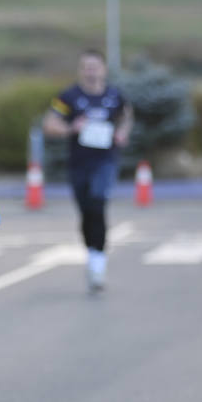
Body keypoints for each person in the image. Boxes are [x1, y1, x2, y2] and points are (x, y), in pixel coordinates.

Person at [41, 49, 133, 293]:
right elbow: (50, 124)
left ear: (103, 69)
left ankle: (98, 262)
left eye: (95, 66)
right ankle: (91, 251)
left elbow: (126, 116)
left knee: (97, 202)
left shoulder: (114, 96)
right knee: (85, 211)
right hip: (79, 163)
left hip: (105, 161)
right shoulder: (69, 97)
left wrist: (123, 132)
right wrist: (72, 128)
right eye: (86, 67)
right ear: (81, 70)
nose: (91, 71)